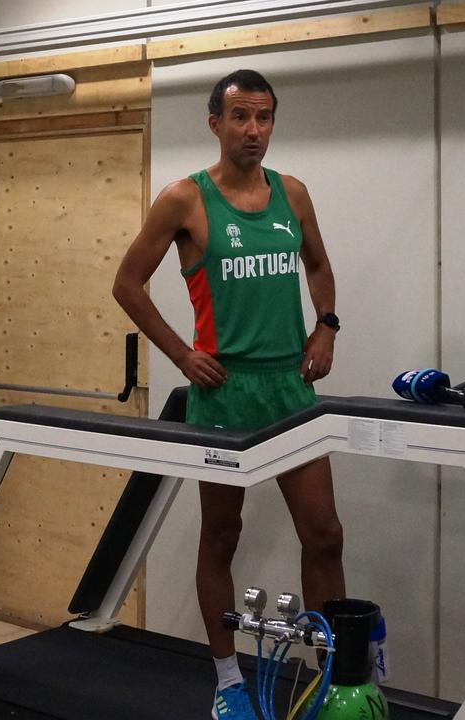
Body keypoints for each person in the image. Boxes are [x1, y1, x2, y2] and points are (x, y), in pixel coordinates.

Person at [111, 70, 344, 720]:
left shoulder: (291, 193)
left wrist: (325, 325)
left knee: (325, 535)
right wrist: (182, 354)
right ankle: (227, 681)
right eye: (240, 117)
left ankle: (332, 683)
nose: (253, 131)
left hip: (291, 392)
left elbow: (318, 264)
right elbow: (128, 284)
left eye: (264, 117)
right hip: (225, 396)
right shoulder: (184, 200)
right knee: (221, 537)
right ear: (215, 122)